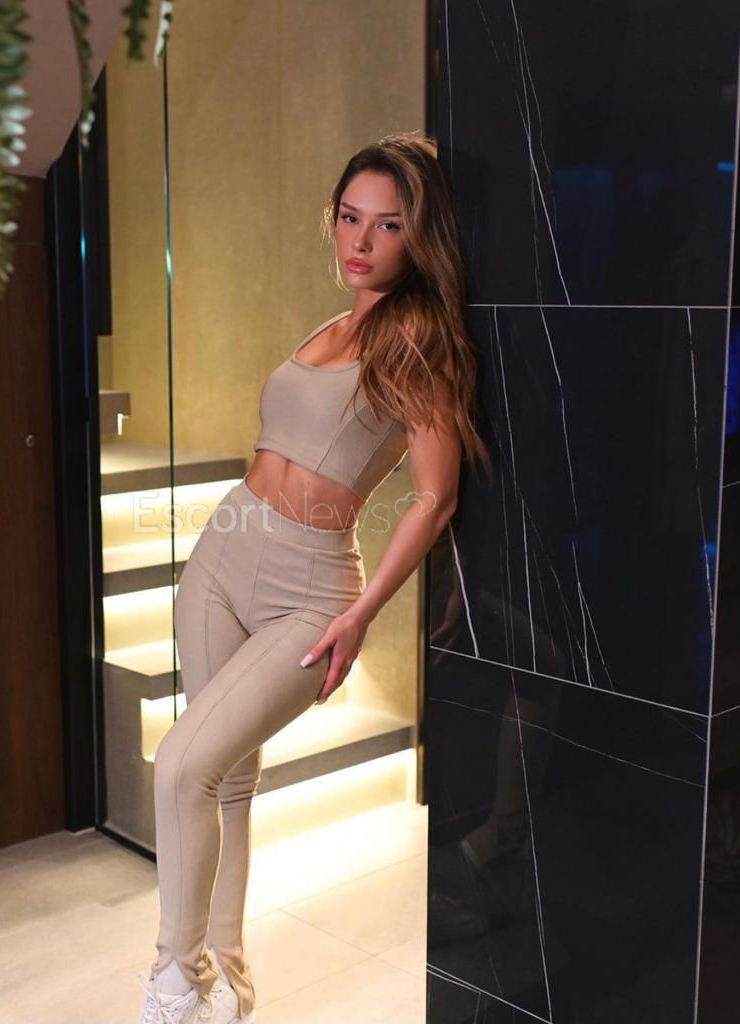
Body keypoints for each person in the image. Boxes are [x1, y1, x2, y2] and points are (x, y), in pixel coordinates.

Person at [136, 129, 490, 1024]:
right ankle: (228, 983)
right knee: (226, 779)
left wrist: (362, 613)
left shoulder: (421, 343)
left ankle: (173, 985)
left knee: (180, 765)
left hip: (310, 588)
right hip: (223, 553)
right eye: (350, 217)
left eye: (389, 224)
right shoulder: (330, 328)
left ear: (419, 237)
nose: (361, 241)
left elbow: (436, 498)